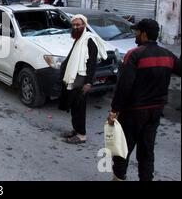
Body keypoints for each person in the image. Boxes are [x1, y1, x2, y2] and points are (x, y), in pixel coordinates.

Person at [107, 19, 181, 181]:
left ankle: (118, 177)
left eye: (137, 32)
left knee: (123, 149)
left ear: (144, 34)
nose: (135, 35)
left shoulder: (134, 54)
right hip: (155, 111)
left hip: (133, 112)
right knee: (147, 151)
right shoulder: (168, 55)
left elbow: (124, 86)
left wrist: (114, 110)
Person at [59, 14, 107, 144]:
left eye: (78, 25)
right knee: (74, 107)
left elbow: (91, 64)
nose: (75, 27)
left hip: (82, 79)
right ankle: (76, 130)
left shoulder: (89, 40)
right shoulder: (79, 39)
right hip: (75, 78)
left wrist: (88, 83)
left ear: (84, 25)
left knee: (79, 107)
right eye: (73, 25)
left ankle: (81, 135)